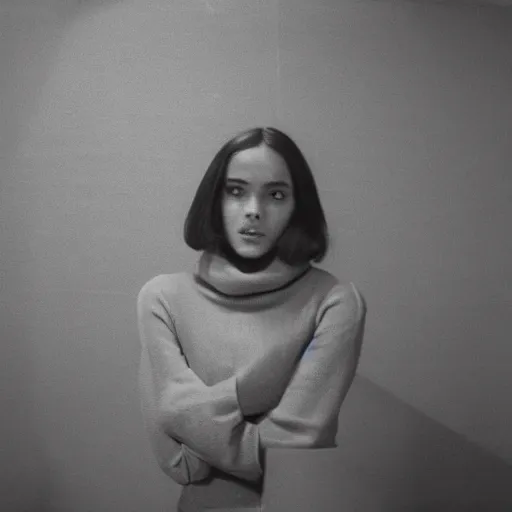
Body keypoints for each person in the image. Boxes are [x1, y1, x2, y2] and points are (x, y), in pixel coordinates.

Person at [136, 127, 367, 512]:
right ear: (215, 197)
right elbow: (181, 463)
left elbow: (294, 453)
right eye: (236, 190)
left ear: (298, 206)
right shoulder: (162, 298)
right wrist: (251, 392)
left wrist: (192, 413)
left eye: (276, 194)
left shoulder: (335, 301)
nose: (254, 209)